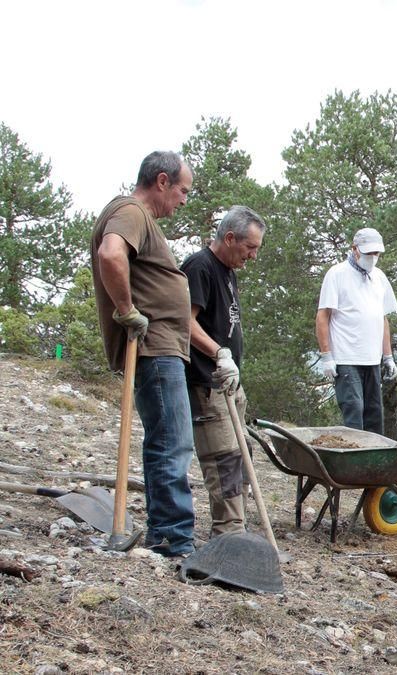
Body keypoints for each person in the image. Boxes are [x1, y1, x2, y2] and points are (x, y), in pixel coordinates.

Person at [90, 150, 196, 557]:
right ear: (163, 181)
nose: (184, 200)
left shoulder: (141, 218)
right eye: (182, 190)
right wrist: (127, 311)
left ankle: (167, 532)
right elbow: (111, 254)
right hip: (154, 349)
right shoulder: (130, 211)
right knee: (172, 441)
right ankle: (174, 538)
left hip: (161, 348)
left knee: (168, 440)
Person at [181, 206, 266, 536]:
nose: (253, 256)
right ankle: (227, 536)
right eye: (250, 248)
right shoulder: (200, 267)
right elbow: (184, 322)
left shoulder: (228, 270)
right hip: (207, 383)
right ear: (229, 238)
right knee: (225, 461)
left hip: (229, 384)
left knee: (242, 459)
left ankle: (238, 531)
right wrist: (219, 354)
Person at [315, 227, 397, 435]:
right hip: (346, 358)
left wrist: (388, 357)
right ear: (355, 249)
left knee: (374, 413)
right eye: (368, 253)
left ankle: (373, 463)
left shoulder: (379, 277)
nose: (372, 257)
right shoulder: (337, 274)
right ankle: (353, 463)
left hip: (372, 359)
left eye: (376, 254)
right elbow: (323, 316)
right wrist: (327, 355)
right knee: (354, 409)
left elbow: (383, 318)